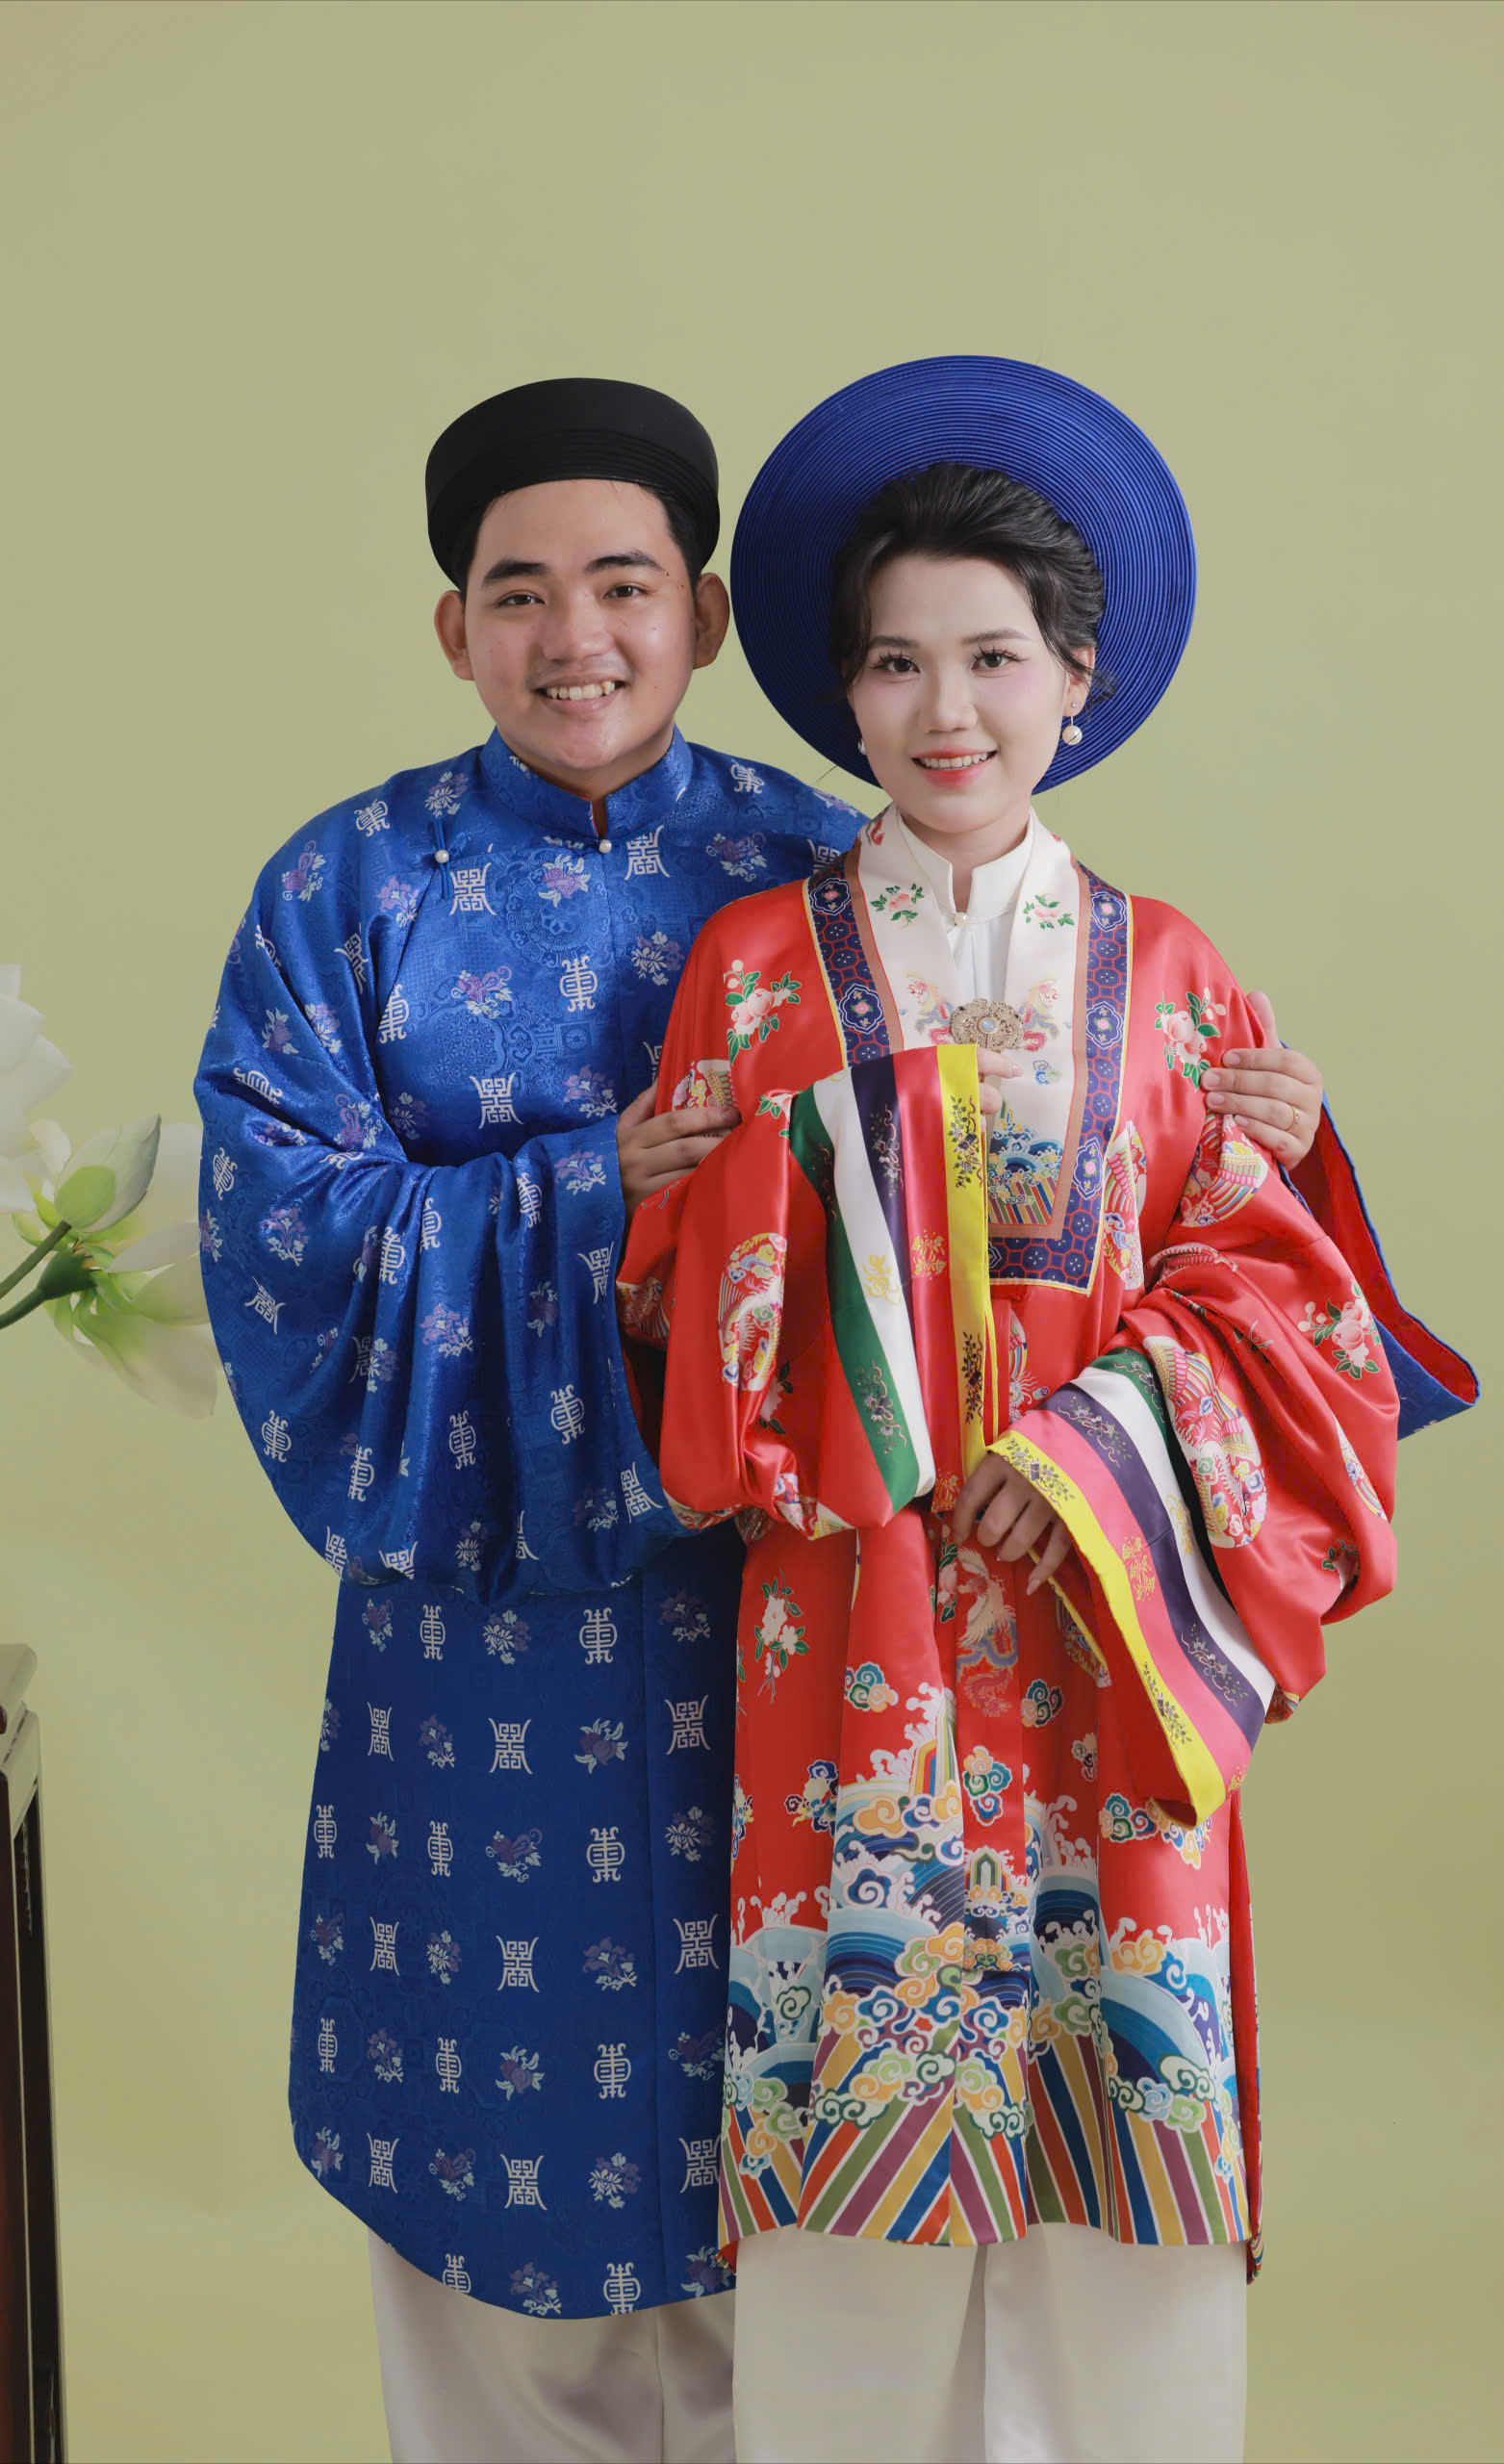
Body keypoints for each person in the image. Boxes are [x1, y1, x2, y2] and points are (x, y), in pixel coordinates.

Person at [193, 373, 1339, 2464]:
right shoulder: (356, 889)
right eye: (518, 593)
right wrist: (591, 1194)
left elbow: (1176, 1237)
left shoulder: (837, 867)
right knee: (502, 2186)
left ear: (706, 613)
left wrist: (1272, 1136)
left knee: (867, 2195)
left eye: (625, 584)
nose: (577, 637)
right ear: (453, 626)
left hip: (846, 1638)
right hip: (520, 1633)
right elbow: (280, 1240)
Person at [616, 356, 1475, 2464]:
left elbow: (1274, 1291)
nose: (948, 710)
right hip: (856, 1606)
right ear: (845, 695)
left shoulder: (1175, 974)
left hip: (1108, 1603)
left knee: (1119, 2107)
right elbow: (672, 1297)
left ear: (1076, 682)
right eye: (897, 662)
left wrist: (1095, 1447)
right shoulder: (751, 962)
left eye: (994, 658)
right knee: (853, 2100)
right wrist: (708, 1212)